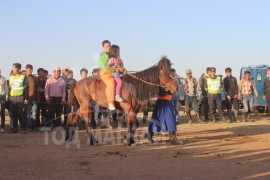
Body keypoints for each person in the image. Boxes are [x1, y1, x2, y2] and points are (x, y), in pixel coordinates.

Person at [9, 63, 29, 133]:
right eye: (13, 68)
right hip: (12, 98)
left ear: (18, 69)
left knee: (21, 113)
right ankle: (14, 128)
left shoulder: (23, 77)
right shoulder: (11, 77)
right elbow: (9, 88)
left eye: (14, 68)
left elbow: (26, 88)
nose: (13, 69)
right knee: (13, 113)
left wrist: (26, 98)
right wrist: (8, 97)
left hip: (20, 97)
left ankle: (23, 128)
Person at [98, 40, 116, 110]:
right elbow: (105, 67)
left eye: (110, 46)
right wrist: (115, 69)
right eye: (107, 46)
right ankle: (110, 102)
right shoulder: (103, 56)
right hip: (105, 74)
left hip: (113, 73)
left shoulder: (112, 55)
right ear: (103, 47)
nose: (109, 47)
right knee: (111, 83)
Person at [25, 64, 40, 131]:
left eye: (31, 69)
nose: (31, 70)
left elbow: (38, 89)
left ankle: (34, 126)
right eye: (29, 69)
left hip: (34, 99)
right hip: (26, 99)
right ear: (26, 69)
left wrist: (38, 98)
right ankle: (29, 127)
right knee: (28, 114)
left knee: (34, 114)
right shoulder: (23, 78)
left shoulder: (35, 78)